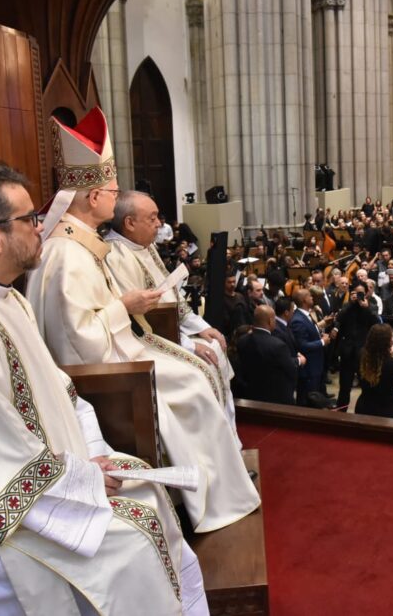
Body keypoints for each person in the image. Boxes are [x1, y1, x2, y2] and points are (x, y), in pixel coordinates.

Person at [0, 163, 208, 615]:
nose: (41, 228)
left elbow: (63, 393)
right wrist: (82, 477)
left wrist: (94, 455)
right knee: (132, 543)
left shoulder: (6, 297)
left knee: (145, 494)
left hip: (53, 475)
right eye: (30, 219)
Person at [26, 108, 259, 533]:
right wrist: (125, 305)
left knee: (197, 371)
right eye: (112, 191)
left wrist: (125, 307)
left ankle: (215, 488)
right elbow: (79, 340)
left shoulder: (80, 246)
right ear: (93, 196)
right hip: (104, 373)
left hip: (120, 350)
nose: (116, 200)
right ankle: (205, 497)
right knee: (191, 382)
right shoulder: (66, 256)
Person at [105, 190, 233, 405]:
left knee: (215, 345)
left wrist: (200, 326)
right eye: (152, 218)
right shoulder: (116, 255)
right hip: (148, 340)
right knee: (201, 368)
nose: (158, 224)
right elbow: (142, 319)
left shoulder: (146, 246)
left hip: (171, 328)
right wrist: (188, 345)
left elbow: (171, 297)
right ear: (129, 223)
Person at [235, 305, 304, 405]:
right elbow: (290, 368)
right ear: (271, 321)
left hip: (250, 395)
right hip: (275, 399)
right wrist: (299, 360)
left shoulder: (242, 340)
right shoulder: (278, 345)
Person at [334, 281, 380, 411]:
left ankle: (367, 412)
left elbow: (377, 323)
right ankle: (341, 412)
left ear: (366, 293)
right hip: (347, 352)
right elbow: (339, 318)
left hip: (364, 352)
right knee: (344, 387)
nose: (358, 295)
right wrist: (350, 303)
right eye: (356, 292)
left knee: (366, 385)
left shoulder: (372, 306)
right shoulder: (347, 306)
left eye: (361, 293)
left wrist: (366, 307)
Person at [291, 288, 335, 405]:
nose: (312, 298)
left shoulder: (306, 315)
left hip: (315, 365)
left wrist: (321, 331)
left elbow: (310, 333)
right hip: (308, 368)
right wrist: (322, 342)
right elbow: (302, 345)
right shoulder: (298, 320)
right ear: (304, 299)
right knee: (307, 401)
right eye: (310, 296)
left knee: (315, 399)